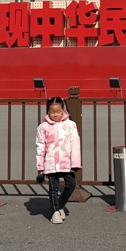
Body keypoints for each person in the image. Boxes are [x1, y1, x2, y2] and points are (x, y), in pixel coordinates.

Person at [35, 96, 82, 224]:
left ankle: (60, 205)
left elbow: (75, 144)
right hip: (50, 162)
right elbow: (40, 146)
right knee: (53, 189)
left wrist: (75, 163)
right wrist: (40, 166)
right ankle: (55, 211)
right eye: (52, 112)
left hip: (66, 162)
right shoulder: (43, 127)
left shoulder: (70, 125)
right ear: (48, 111)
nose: (55, 114)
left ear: (63, 110)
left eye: (58, 111)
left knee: (71, 185)